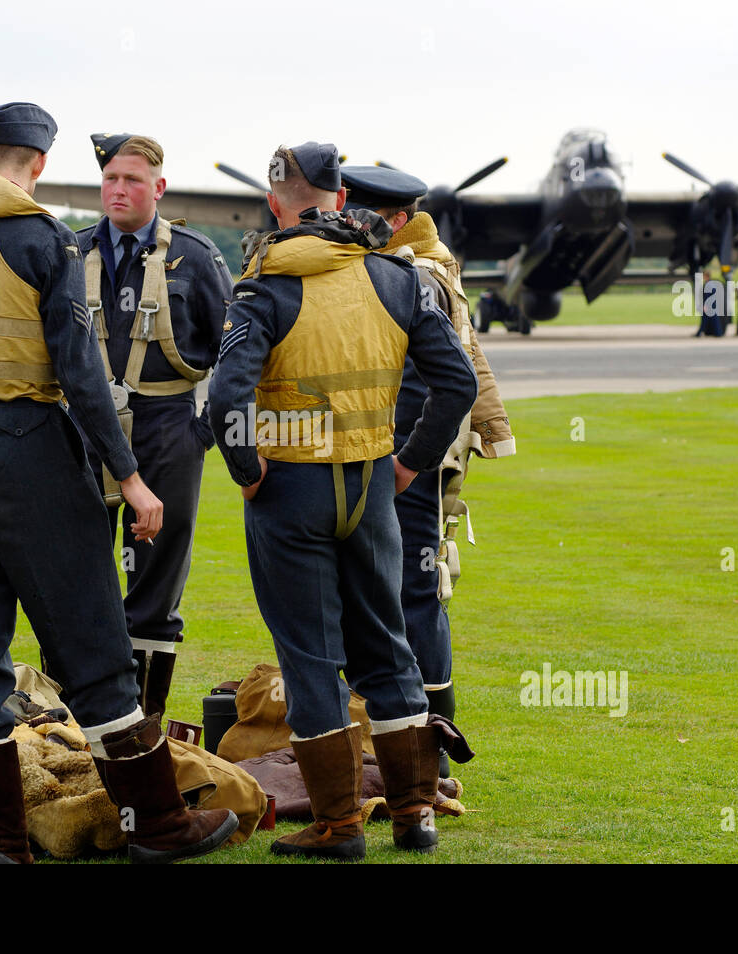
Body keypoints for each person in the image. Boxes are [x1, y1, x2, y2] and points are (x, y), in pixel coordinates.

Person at [0, 102, 236, 864]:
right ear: (36, 165)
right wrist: (129, 477)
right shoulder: (42, 238)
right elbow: (82, 375)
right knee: (96, 649)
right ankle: (157, 827)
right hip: (32, 456)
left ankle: (0, 846)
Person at [209, 143, 477, 860]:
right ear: (338, 198)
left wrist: (246, 470)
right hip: (372, 487)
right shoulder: (395, 276)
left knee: (308, 657)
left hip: (290, 489)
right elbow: (456, 385)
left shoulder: (265, 282)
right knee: (387, 647)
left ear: (277, 202)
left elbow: (226, 397)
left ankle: (338, 825)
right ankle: (415, 811)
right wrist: (412, 464)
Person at [340, 165, 515, 777]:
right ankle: (408, 750)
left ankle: (429, 759)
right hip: (419, 458)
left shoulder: (412, 272)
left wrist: (404, 464)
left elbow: (427, 383)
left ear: (388, 220)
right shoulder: (428, 261)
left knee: (413, 596)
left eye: (358, 215)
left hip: (409, 462)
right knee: (409, 593)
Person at [75, 134, 232, 723]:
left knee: (155, 587)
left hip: (167, 429)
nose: (119, 189)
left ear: (158, 189)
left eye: (133, 180)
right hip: (86, 433)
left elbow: (237, 356)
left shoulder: (195, 256)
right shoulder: (70, 252)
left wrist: (201, 435)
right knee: (77, 581)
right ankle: (79, 728)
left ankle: (142, 733)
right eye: (111, 178)